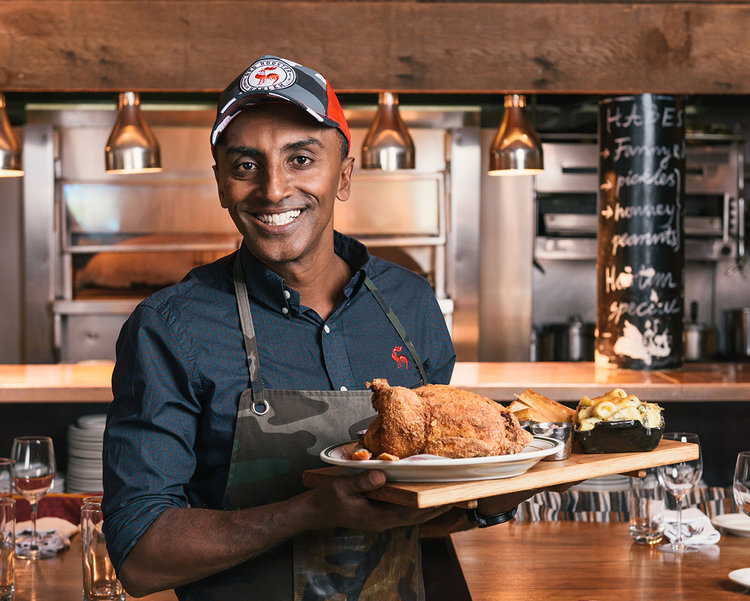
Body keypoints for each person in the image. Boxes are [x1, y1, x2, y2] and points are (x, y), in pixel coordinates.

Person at [102, 55, 531, 601]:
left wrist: (498, 497)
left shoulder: (410, 303)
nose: (274, 189)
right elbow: (140, 556)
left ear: (343, 175)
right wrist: (309, 511)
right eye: (245, 165)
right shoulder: (168, 328)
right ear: (220, 184)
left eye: (301, 158)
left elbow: (434, 503)